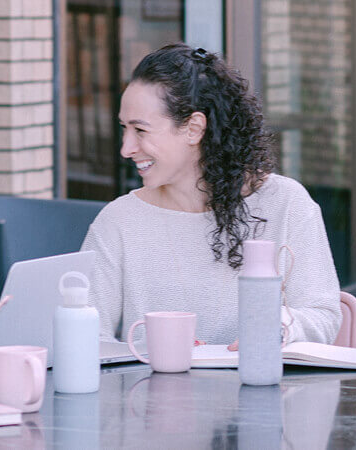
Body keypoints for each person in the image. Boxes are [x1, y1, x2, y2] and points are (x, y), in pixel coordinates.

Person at [82, 43, 341, 345]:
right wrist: (146, 352)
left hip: (264, 375)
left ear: (194, 128)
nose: (126, 148)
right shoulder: (119, 220)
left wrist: (274, 326)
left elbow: (323, 316)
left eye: (140, 130)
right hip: (154, 378)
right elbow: (86, 333)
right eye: (124, 128)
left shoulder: (286, 203)